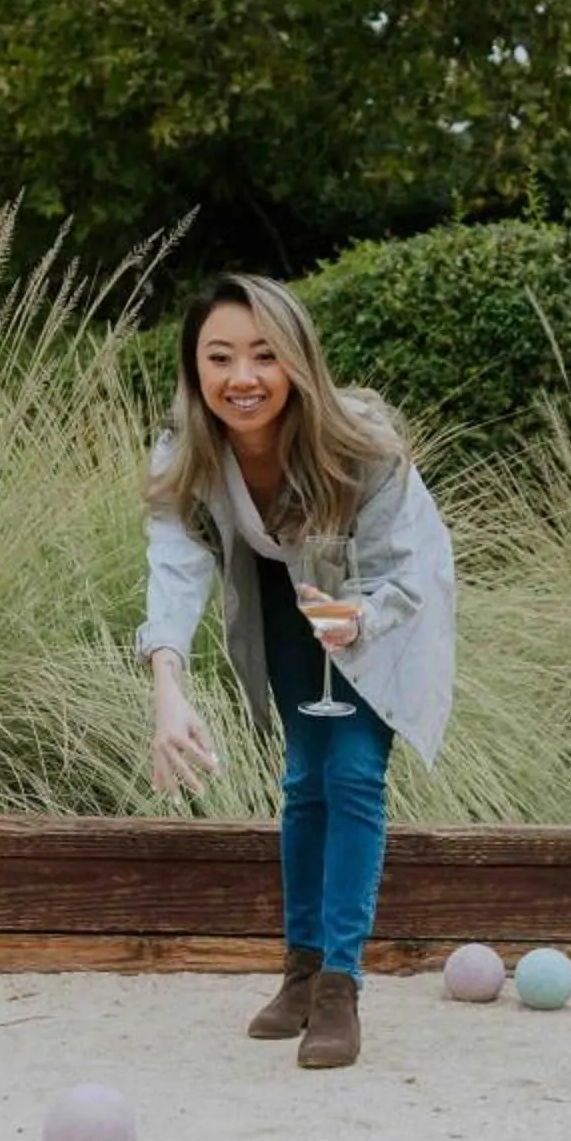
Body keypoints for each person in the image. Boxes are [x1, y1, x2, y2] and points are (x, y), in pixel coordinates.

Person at [136, 272, 456, 1071]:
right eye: (220, 358)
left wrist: (359, 621)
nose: (242, 378)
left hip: (380, 604)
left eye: (263, 356)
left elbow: (403, 572)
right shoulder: (186, 454)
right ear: (195, 369)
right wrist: (167, 686)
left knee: (351, 774)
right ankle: (301, 969)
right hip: (286, 597)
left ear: (298, 361)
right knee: (304, 780)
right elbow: (174, 574)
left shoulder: (363, 445)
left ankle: (341, 987)